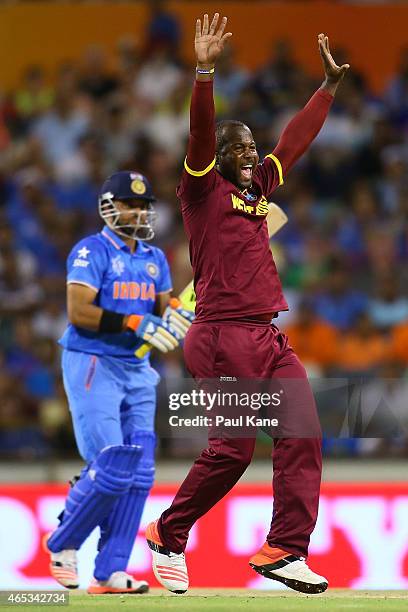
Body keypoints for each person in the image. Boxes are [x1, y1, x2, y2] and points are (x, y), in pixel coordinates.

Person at [146, 12, 349, 595]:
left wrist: (327, 90)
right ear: (217, 157)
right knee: (232, 452)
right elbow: (201, 134)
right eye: (239, 147)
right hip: (220, 333)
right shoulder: (200, 189)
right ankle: (167, 532)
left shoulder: (258, 190)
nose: (249, 152)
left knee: (304, 433)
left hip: (265, 336)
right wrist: (204, 73)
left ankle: (285, 549)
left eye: (251, 147)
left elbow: (293, 142)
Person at [43, 170, 193, 594]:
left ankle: (109, 571)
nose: (140, 211)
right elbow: (79, 312)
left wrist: (177, 320)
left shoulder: (155, 258)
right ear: (110, 207)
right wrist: (133, 321)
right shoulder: (91, 251)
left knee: (140, 473)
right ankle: (63, 542)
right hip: (93, 362)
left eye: (144, 205)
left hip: (137, 371)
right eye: (131, 204)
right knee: (111, 467)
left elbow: (164, 313)